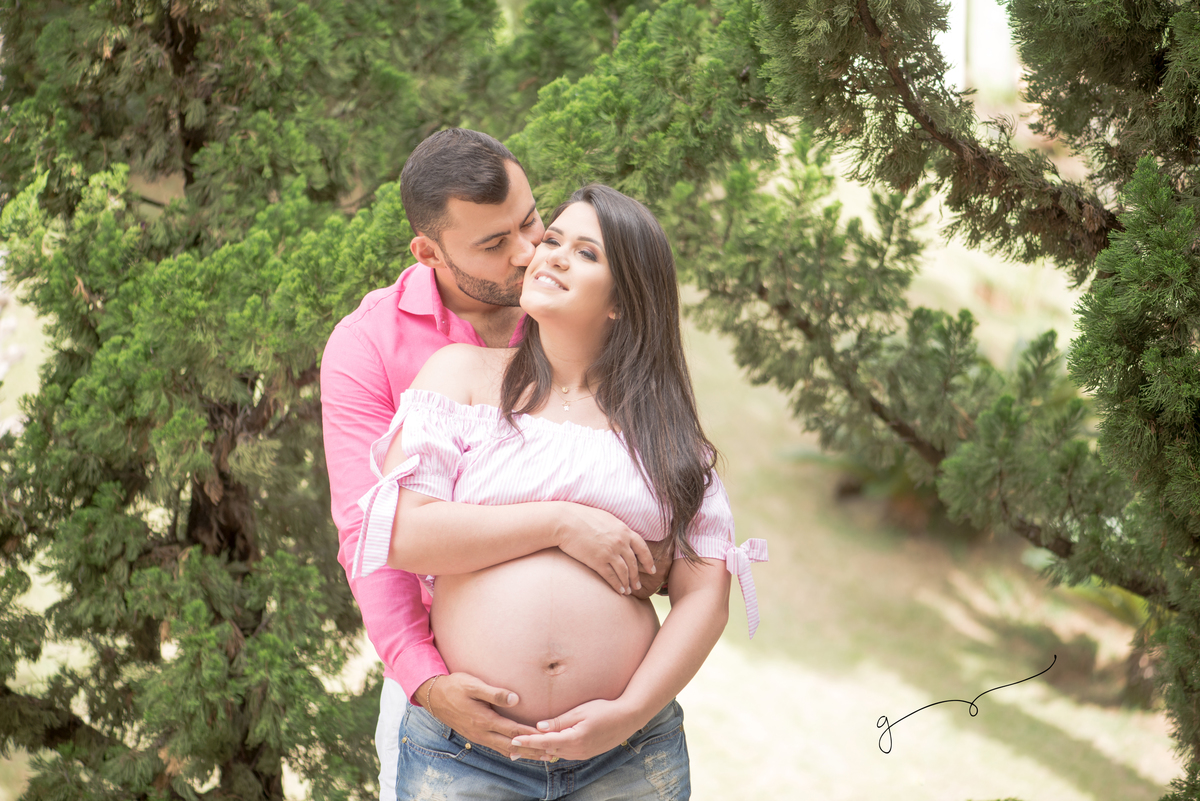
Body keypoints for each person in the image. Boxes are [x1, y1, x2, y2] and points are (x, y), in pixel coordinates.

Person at [351, 185, 768, 799]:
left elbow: (704, 596)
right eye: (552, 240)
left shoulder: (664, 430)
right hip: (467, 756)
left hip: (626, 757)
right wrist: (561, 522)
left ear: (622, 300)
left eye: (586, 252)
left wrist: (627, 714)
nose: (551, 255)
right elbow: (406, 535)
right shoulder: (460, 378)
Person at [322, 130, 675, 800]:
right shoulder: (366, 346)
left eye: (530, 221)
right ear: (429, 253)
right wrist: (425, 680)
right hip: (453, 712)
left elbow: (656, 471)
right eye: (493, 243)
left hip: (616, 737)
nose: (527, 252)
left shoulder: (573, 307)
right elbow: (370, 535)